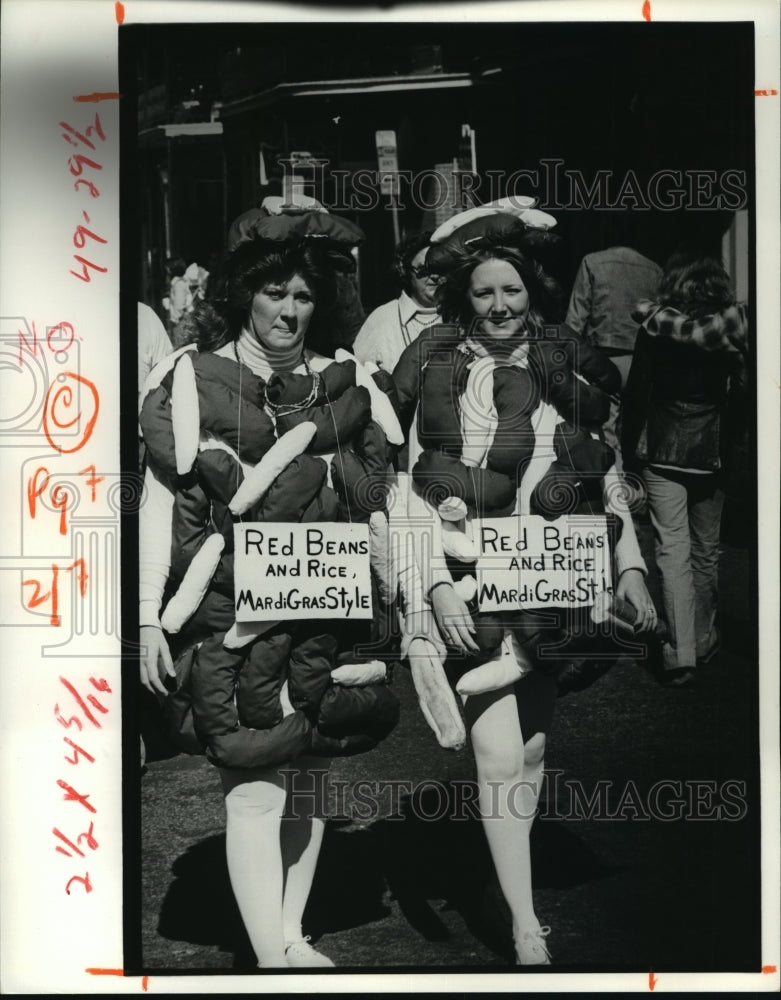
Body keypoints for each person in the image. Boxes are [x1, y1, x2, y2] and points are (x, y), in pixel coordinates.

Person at [391, 209, 657, 965]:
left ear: (530, 294)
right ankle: (522, 923)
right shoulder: (439, 373)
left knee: (533, 748)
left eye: (510, 290)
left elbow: (601, 475)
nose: (500, 305)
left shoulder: (558, 370)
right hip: (472, 585)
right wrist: (433, 586)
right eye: (483, 293)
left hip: (553, 585)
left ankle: (502, 884)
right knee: (499, 755)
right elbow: (405, 491)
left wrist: (630, 567)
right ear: (462, 301)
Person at [138, 207, 400, 968]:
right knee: (253, 788)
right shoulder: (188, 378)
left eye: (304, 297)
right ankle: (267, 958)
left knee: (312, 778)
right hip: (226, 616)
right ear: (244, 293)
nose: (288, 311)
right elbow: (158, 505)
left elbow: (382, 500)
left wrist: (407, 599)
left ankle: (289, 932)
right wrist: (150, 618)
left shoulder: (341, 382)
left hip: (324, 614)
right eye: (274, 293)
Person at [622, 248, 748, 687]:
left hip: (662, 449)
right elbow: (745, 395)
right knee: (706, 551)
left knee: (671, 549)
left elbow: (638, 389)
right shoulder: (735, 329)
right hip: (713, 454)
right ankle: (704, 636)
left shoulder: (656, 326)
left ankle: (680, 653)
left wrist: (627, 447)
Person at [566, 232, 662, 470]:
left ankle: (617, 495)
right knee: (637, 433)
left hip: (603, 362)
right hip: (641, 361)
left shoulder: (593, 262)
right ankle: (637, 492)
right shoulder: (654, 270)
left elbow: (574, 323)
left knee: (607, 435)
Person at [353, 230, 443, 372]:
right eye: (424, 270)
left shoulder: (460, 315)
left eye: (440, 268)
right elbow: (356, 374)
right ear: (406, 272)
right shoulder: (382, 318)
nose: (435, 276)